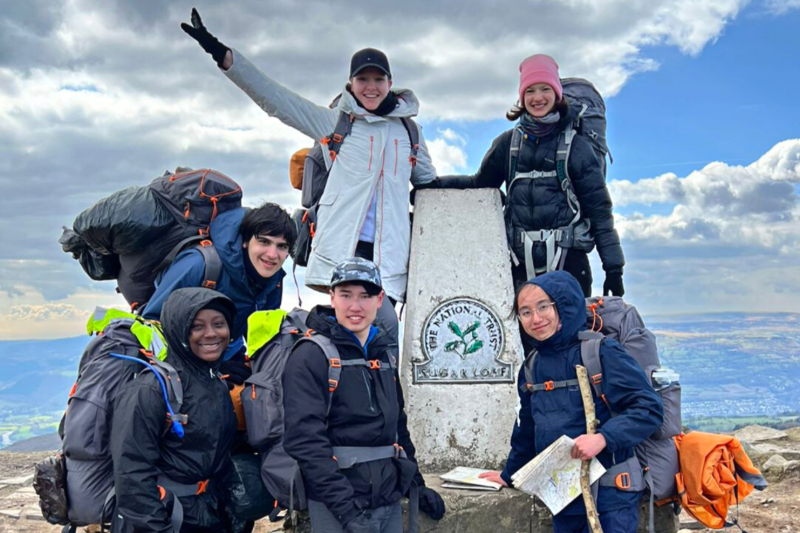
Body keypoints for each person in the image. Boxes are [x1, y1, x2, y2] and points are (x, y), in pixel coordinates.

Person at [181, 9, 438, 347]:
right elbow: (277, 101)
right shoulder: (336, 123)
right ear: (351, 84)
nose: (371, 87)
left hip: (389, 257)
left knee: (381, 338)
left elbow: (429, 184)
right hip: (343, 251)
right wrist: (223, 55)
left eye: (378, 79)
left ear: (390, 83)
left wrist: (478, 183)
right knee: (364, 332)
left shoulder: (409, 131)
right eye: (363, 79)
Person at [419, 54, 624, 297]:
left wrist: (614, 268)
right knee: (522, 322)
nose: (538, 98)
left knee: (567, 323)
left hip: (569, 263)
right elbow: (480, 184)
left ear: (557, 94)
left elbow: (599, 211)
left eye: (545, 89)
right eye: (530, 91)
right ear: (521, 96)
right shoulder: (508, 144)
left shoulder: (577, 148)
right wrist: (431, 186)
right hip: (518, 266)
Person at [479, 271, 662, 533]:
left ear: (564, 306)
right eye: (526, 312)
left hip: (610, 497)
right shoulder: (532, 366)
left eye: (543, 307)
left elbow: (649, 408)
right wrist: (510, 474)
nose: (535, 319)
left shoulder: (600, 353)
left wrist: (603, 438)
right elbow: (527, 429)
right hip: (564, 497)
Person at [281, 258, 445, 533]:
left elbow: (397, 427)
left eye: (365, 296)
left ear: (380, 299)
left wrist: (416, 483)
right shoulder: (311, 355)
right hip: (337, 506)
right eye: (346, 295)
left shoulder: (384, 355)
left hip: (387, 497)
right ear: (332, 297)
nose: (355, 306)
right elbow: (305, 439)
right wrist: (347, 512)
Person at [110, 287, 238, 532]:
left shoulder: (215, 381)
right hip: (167, 517)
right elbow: (132, 475)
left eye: (219, 324)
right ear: (178, 329)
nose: (211, 333)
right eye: (197, 326)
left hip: (207, 513)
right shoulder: (150, 389)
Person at [144, 201, 296, 368]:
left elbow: (262, 336)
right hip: (181, 365)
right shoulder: (199, 265)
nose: (272, 254)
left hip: (227, 357)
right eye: (264, 242)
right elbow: (151, 323)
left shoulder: (273, 281)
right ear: (245, 241)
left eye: (282, 246)